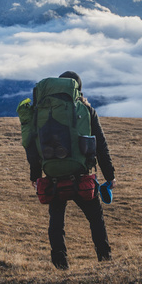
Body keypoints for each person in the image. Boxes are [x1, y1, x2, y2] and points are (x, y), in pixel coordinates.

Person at [25, 71, 116, 270]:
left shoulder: (42, 110)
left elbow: (32, 143)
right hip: (81, 175)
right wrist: (110, 176)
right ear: (78, 89)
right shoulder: (86, 110)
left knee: (56, 222)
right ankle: (104, 258)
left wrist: (35, 174)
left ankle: (60, 265)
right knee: (95, 218)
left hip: (54, 176)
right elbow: (101, 145)